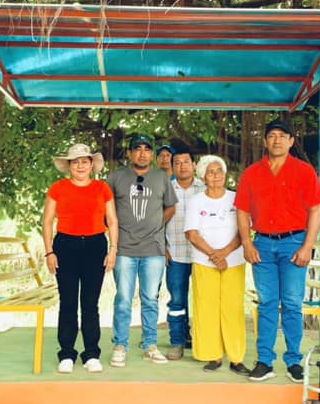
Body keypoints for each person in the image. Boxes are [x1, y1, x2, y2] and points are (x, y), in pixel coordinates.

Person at [235, 118, 320, 382]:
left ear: (291, 141)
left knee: (293, 303)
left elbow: (315, 210)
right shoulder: (252, 173)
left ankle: (294, 361)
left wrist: (308, 246)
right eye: (272, 135)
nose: (277, 140)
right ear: (265, 141)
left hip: (294, 242)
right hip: (262, 244)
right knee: (268, 303)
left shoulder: (304, 171)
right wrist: (247, 243)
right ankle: (265, 361)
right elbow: (242, 211)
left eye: (283, 136)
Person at [42, 144, 118, 373]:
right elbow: (47, 221)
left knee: (90, 303)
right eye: (75, 162)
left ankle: (91, 353)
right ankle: (66, 353)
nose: (80, 166)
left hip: (95, 246)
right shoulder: (58, 188)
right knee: (68, 302)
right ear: (69, 166)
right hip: (65, 246)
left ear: (92, 165)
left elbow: (112, 220)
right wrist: (49, 251)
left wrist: (113, 250)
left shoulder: (102, 188)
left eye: (85, 161)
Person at [107, 134, 177, 367]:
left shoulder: (161, 177)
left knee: (150, 299)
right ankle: (120, 345)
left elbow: (171, 207)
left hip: (153, 249)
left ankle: (150, 346)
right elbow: (106, 210)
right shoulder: (116, 177)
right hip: (124, 248)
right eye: (137, 149)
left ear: (152, 154)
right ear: (130, 153)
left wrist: (156, 226)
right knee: (123, 299)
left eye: (147, 149)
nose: (143, 153)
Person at [184, 155, 248, 374]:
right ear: (203, 177)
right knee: (206, 308)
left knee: (233, 308)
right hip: (204, 262)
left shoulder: (236, 198)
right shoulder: (195, 201)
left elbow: (244, 231)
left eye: (219, 171)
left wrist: (224, 254)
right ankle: (213, 356)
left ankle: (236, 358)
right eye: (210, 172)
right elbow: (192, 234)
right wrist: (214, 255)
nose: (216, 175)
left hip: (234, 261)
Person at [164, 148, 205, 360]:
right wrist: (162, 248)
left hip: (203, 256)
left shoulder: (205, 189)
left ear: (194, 165)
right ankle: (177, 342)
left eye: (186, 162)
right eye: (177, 163)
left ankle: (205, 343)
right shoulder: (166, 189)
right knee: (177, 301)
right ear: (172, 167)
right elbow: (157, 220)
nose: (182, 166)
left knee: (204, 299)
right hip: (175, 253)